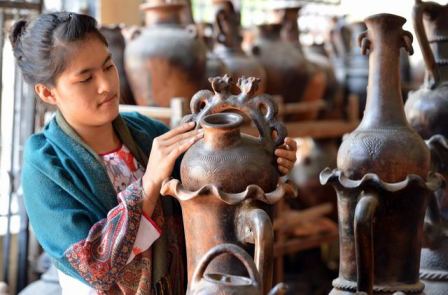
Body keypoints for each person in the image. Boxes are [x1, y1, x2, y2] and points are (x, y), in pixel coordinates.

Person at [11, 12, 297, 295]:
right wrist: (148, 185)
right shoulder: (44, 165)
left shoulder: (147, 133)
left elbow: (213, 185)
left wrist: (266, 162)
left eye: (109, 66)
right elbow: (93, 267)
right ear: (47, 93)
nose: (106, 85)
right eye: (86, 79)